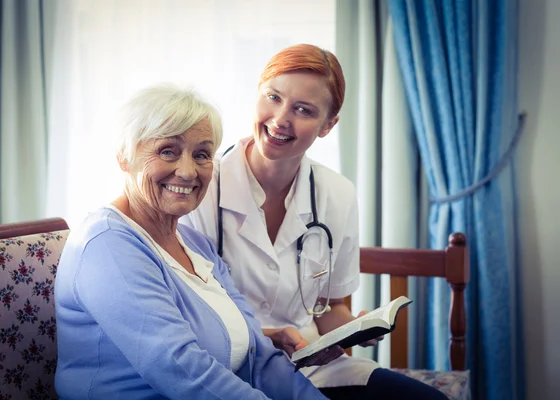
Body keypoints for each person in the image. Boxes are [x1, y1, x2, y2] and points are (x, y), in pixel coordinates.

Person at [180, 44, 450, 400]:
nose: (280, 119)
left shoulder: (336, 194)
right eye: (273, 97)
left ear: (328, 125)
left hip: (309, 367)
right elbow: (186, 310)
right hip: (227, 365)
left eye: (303, 110)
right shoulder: (201, 184)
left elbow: (330, 309)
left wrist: (353, 330)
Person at [54, 83, 328, 400]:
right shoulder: (106, 245)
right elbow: (181, 369)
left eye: (201, 155)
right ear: (124, 158)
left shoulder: (195, 243)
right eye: (168, 151)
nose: (187, 172)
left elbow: (260, 356)